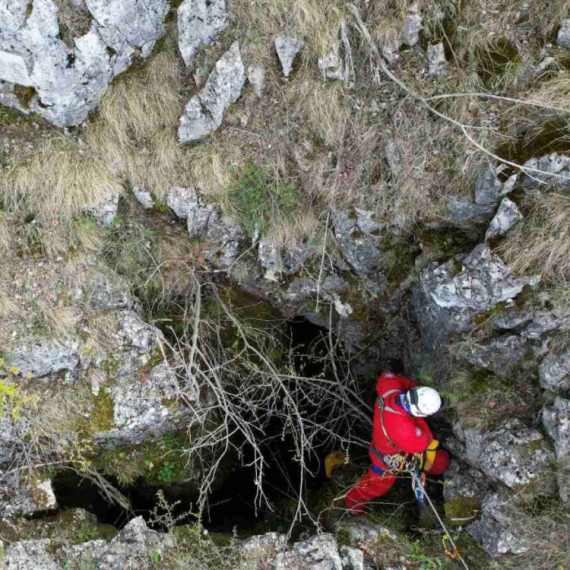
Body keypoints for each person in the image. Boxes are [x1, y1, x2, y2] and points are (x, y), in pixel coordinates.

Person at [345, 371, 450, 514]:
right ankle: (352, 508)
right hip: (386, 459)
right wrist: (418, 419)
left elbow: (387, 375)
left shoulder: (391, 390)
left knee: (440, 462)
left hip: (389, 442)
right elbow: (425, 441)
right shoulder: (403, 429)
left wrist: (415, 388)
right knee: (375, 487)